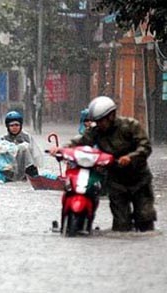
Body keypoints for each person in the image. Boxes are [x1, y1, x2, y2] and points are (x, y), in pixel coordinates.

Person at [51, 96, 157, 232]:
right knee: (121, 224)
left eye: (102, 120)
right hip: (116, 181)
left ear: (111, 116)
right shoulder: (96, 132)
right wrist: (63, 149)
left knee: (145, 218)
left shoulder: (130, 126)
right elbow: (80, 141)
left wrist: (130, 158)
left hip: (139, 179)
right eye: (97, 121)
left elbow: (145, 146)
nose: (99, 124)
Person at [0, 111, 42, 182]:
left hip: (25, 168)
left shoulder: (27, 138)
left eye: (17, 125)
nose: (14, 128)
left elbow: (33, 155)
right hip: (9, 169)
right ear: (7, 126)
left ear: (21, 125)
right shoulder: (4, 138)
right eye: (12, 125)